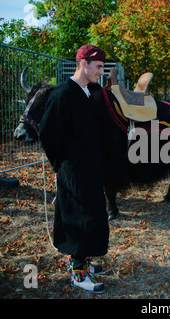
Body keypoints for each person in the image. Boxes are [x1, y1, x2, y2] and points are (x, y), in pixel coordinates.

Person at [39, 44, 109, 293]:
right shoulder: (63, 94)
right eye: (98, 66)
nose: (101, 71)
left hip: (90, 167)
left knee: (92, 214)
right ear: (84, 63)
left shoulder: (87, 92)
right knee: (78, 216)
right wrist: (61, 165)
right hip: (73, 170)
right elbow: (48, 134)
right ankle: (78, 273)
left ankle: (84, 261)